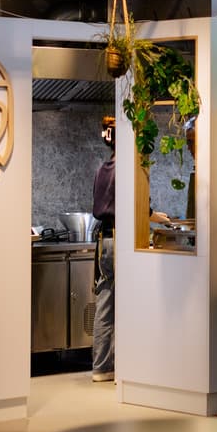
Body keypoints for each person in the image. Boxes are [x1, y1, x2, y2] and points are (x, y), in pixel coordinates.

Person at [91, 117, 117, 383]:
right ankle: (128, 366)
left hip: (104, 240)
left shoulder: (102, 170)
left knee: (105, 302)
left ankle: (101, 367)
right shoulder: (126, 170)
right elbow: (139, 209)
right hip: (120, 239)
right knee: (127, 303)